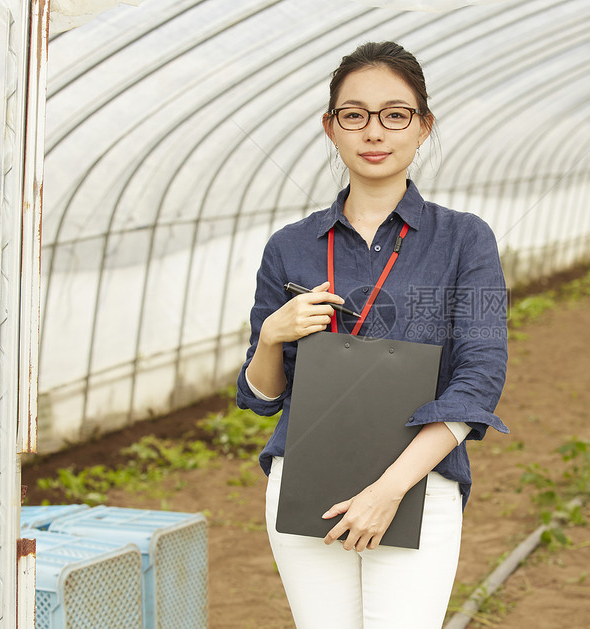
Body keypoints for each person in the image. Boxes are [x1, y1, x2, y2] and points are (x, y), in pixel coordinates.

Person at [235, 41, 508, 628]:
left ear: (423, 126)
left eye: (395, 114)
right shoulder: (290, 246)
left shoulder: (464, 240)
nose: (374, 132)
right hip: (309, 477)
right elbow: (261, 396)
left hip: (418, 483)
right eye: (354, 115)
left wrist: (389, 489)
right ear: (331, 128)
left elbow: (479, 377)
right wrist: (271, 339)